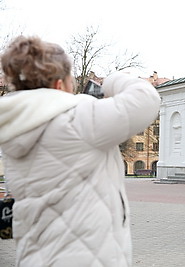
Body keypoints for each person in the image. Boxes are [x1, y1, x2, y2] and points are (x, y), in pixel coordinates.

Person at [0, 36, 161, 266]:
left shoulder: (13, 126)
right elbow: (145, 99)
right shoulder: (77, 117)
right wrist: (114, 79)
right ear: (58, 84)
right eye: (70, 82)